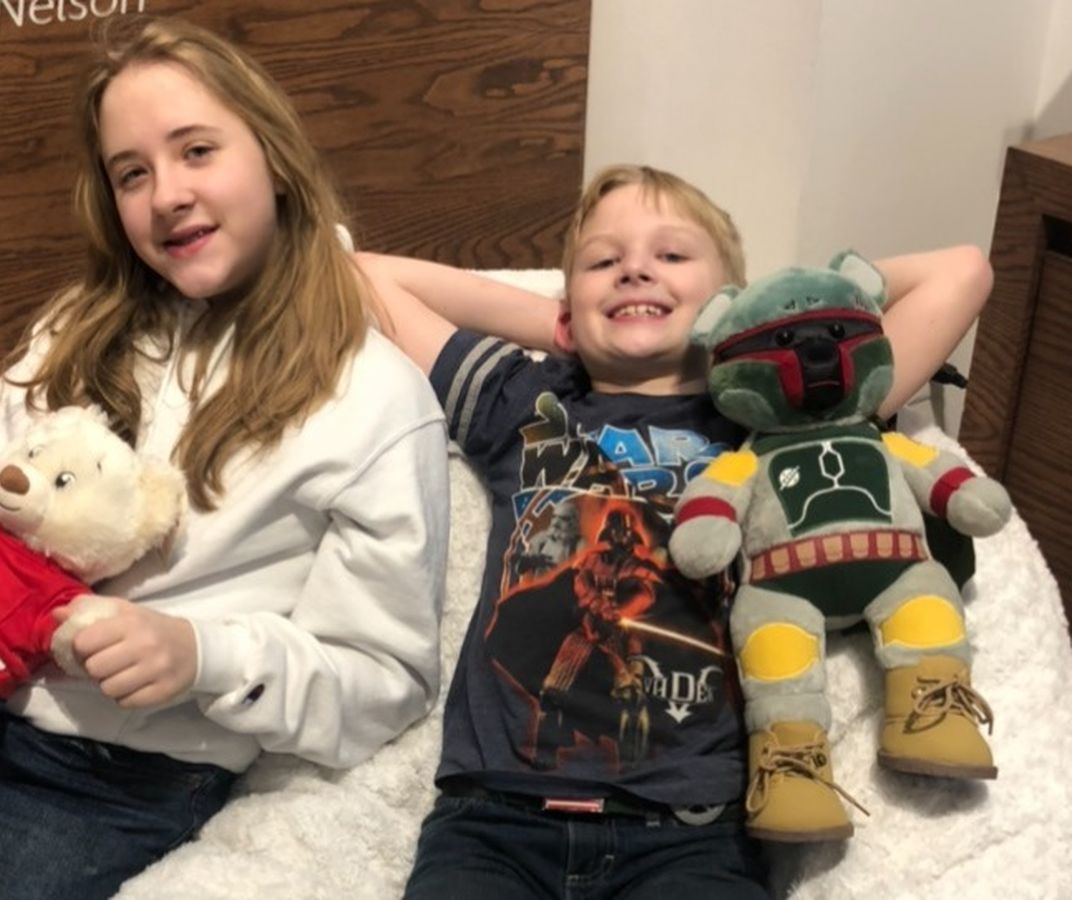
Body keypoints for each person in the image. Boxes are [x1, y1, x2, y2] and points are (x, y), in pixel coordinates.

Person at [0, 16, 449, 899]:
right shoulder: (80, 325)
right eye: (131, 173)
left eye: (196, 151)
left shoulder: (373, 399)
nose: (166, 194)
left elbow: (383, 680)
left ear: (275, 156)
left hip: (108, 776)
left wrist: (202, 657)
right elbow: (1, 485)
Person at [355, 163, 993, 898]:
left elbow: (961, 273)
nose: (634, 270)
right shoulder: (526, 404)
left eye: (671, 254)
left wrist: (759, 319)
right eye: (603, 262)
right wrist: (557, 324)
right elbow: (361, 276)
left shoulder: (783, 418)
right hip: (494, 821)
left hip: (690, 835)